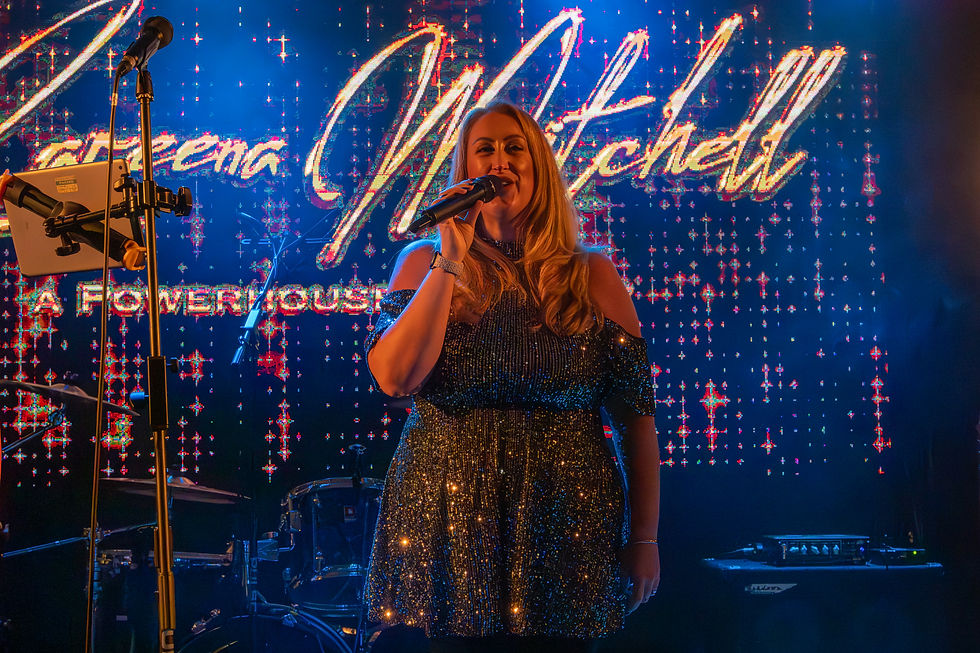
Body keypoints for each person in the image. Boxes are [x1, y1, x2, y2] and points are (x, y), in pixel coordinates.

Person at [364, 100, 660, 653]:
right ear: (465, 170)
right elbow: (395, 378)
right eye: (485, 149)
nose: (499, 161)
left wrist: (644, 537)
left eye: (513, 148)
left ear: (537, 165)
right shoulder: (423, 262)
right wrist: (449, 260)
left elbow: (635, 418)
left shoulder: (591, 274)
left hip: (565, 520)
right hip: (446, 518)